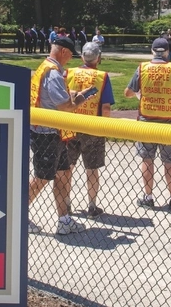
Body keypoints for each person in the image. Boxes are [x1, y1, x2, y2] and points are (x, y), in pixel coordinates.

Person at [28, 38, 90, 235]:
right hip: (47, 135)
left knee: (64, 174)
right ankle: (17, 215)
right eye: (70, 54)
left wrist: (71, 94)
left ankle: (64, 220)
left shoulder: (45, 66)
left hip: (53, 133)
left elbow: (51, 97)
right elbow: (65, 106)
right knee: (42, 177)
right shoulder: (53, 73)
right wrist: (82, 98)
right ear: (63, 51)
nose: (71, 58)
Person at [125, 38, 171, 210]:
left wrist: (142, 92)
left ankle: (148, 197)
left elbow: (128, 93)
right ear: (168, 52)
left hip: (147, 121)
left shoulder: (143, 68)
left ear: (152, 51)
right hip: (170, 121)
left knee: (147, 160)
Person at [65, 42, 115, 218]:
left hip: (70, 125)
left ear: (82, 57)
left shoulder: (69, 73)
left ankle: (66, 204)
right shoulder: (102, 76)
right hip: (92, 127)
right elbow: (106, 108)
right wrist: (104, 128)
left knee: (67, 167)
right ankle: (92, 207)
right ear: (98, 58)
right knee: (92, 169)